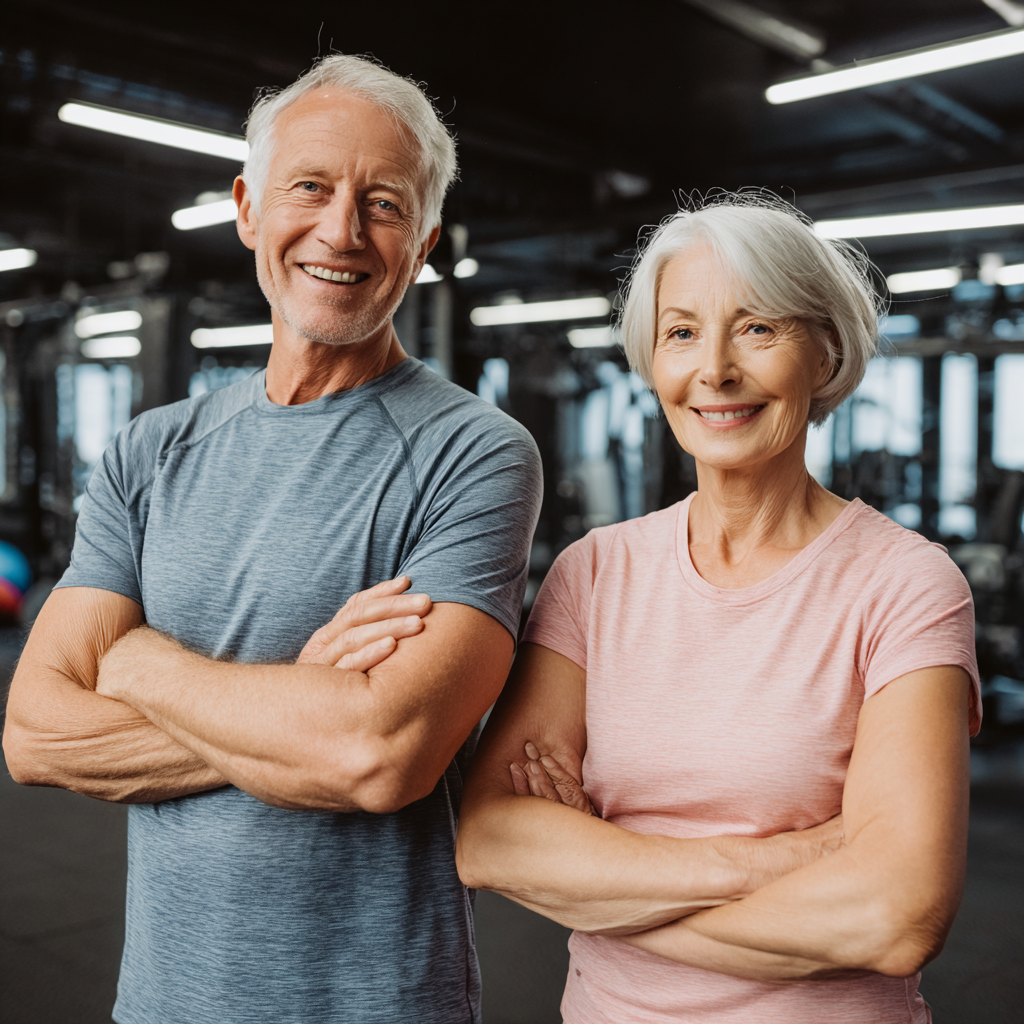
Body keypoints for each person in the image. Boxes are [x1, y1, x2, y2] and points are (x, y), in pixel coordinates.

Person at [3, 54, 541, 1024]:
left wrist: (137, 660)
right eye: (311, 187)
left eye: (383, 203)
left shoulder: (475, 452)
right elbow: (35, 732)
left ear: (421, 243)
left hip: (376, 1004)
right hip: (163, 1000)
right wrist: (307, 699)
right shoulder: (150, 451)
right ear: (249, 208)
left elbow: (380, 753)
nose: (341, 230)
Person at [456, 195, 978, 1023]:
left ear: (826, 352)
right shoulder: (595, 575)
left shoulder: (906, 585)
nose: (716, 370)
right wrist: (792, 859)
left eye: (759, 328)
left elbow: (895, 916)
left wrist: (598, 886)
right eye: (682, 332)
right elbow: (490, 840)